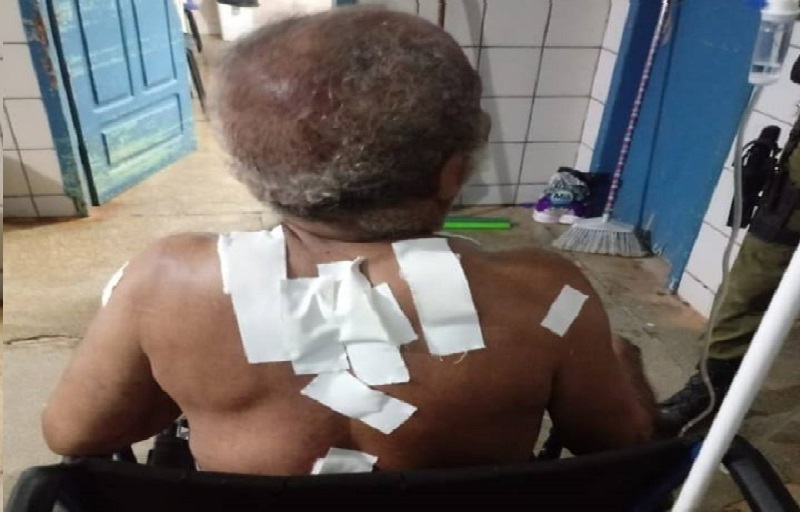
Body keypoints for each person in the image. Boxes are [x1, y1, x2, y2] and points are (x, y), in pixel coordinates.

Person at [42, 7, 655, 475]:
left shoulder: (165, 282)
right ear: (453, 172)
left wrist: (200, 385)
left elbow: (74, 435)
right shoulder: (545, 294)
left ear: (247, 172)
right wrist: (620, 364)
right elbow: (620, 444)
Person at [659, 113, 800, 435]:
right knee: (745, 291)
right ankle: (710, 391)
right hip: (788, 201)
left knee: (747, 292)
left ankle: (710, 393)